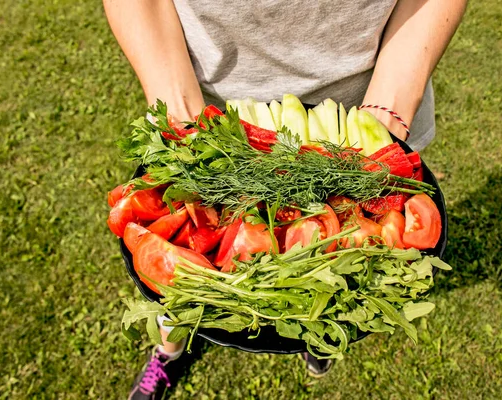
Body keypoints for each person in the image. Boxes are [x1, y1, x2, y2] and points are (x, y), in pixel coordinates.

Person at [103, 1, 468, 398]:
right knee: (183, 286)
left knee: (334, 292)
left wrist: (387, 111)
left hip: (372, 108)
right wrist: (177, 109)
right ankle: (168, 352)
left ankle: (319, 337)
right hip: (210, 112)